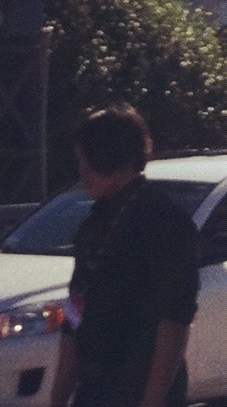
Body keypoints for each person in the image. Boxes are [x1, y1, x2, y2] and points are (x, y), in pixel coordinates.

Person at [50, 106, 198, 407]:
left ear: (118, 157)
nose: (84, 171)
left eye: (92, 159)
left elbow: (173, 323)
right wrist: (59, 397)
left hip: (138, 387)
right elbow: (75, 317)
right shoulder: (94, 224)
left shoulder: (163, 221)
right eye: (81, 161)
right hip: (95, 385)